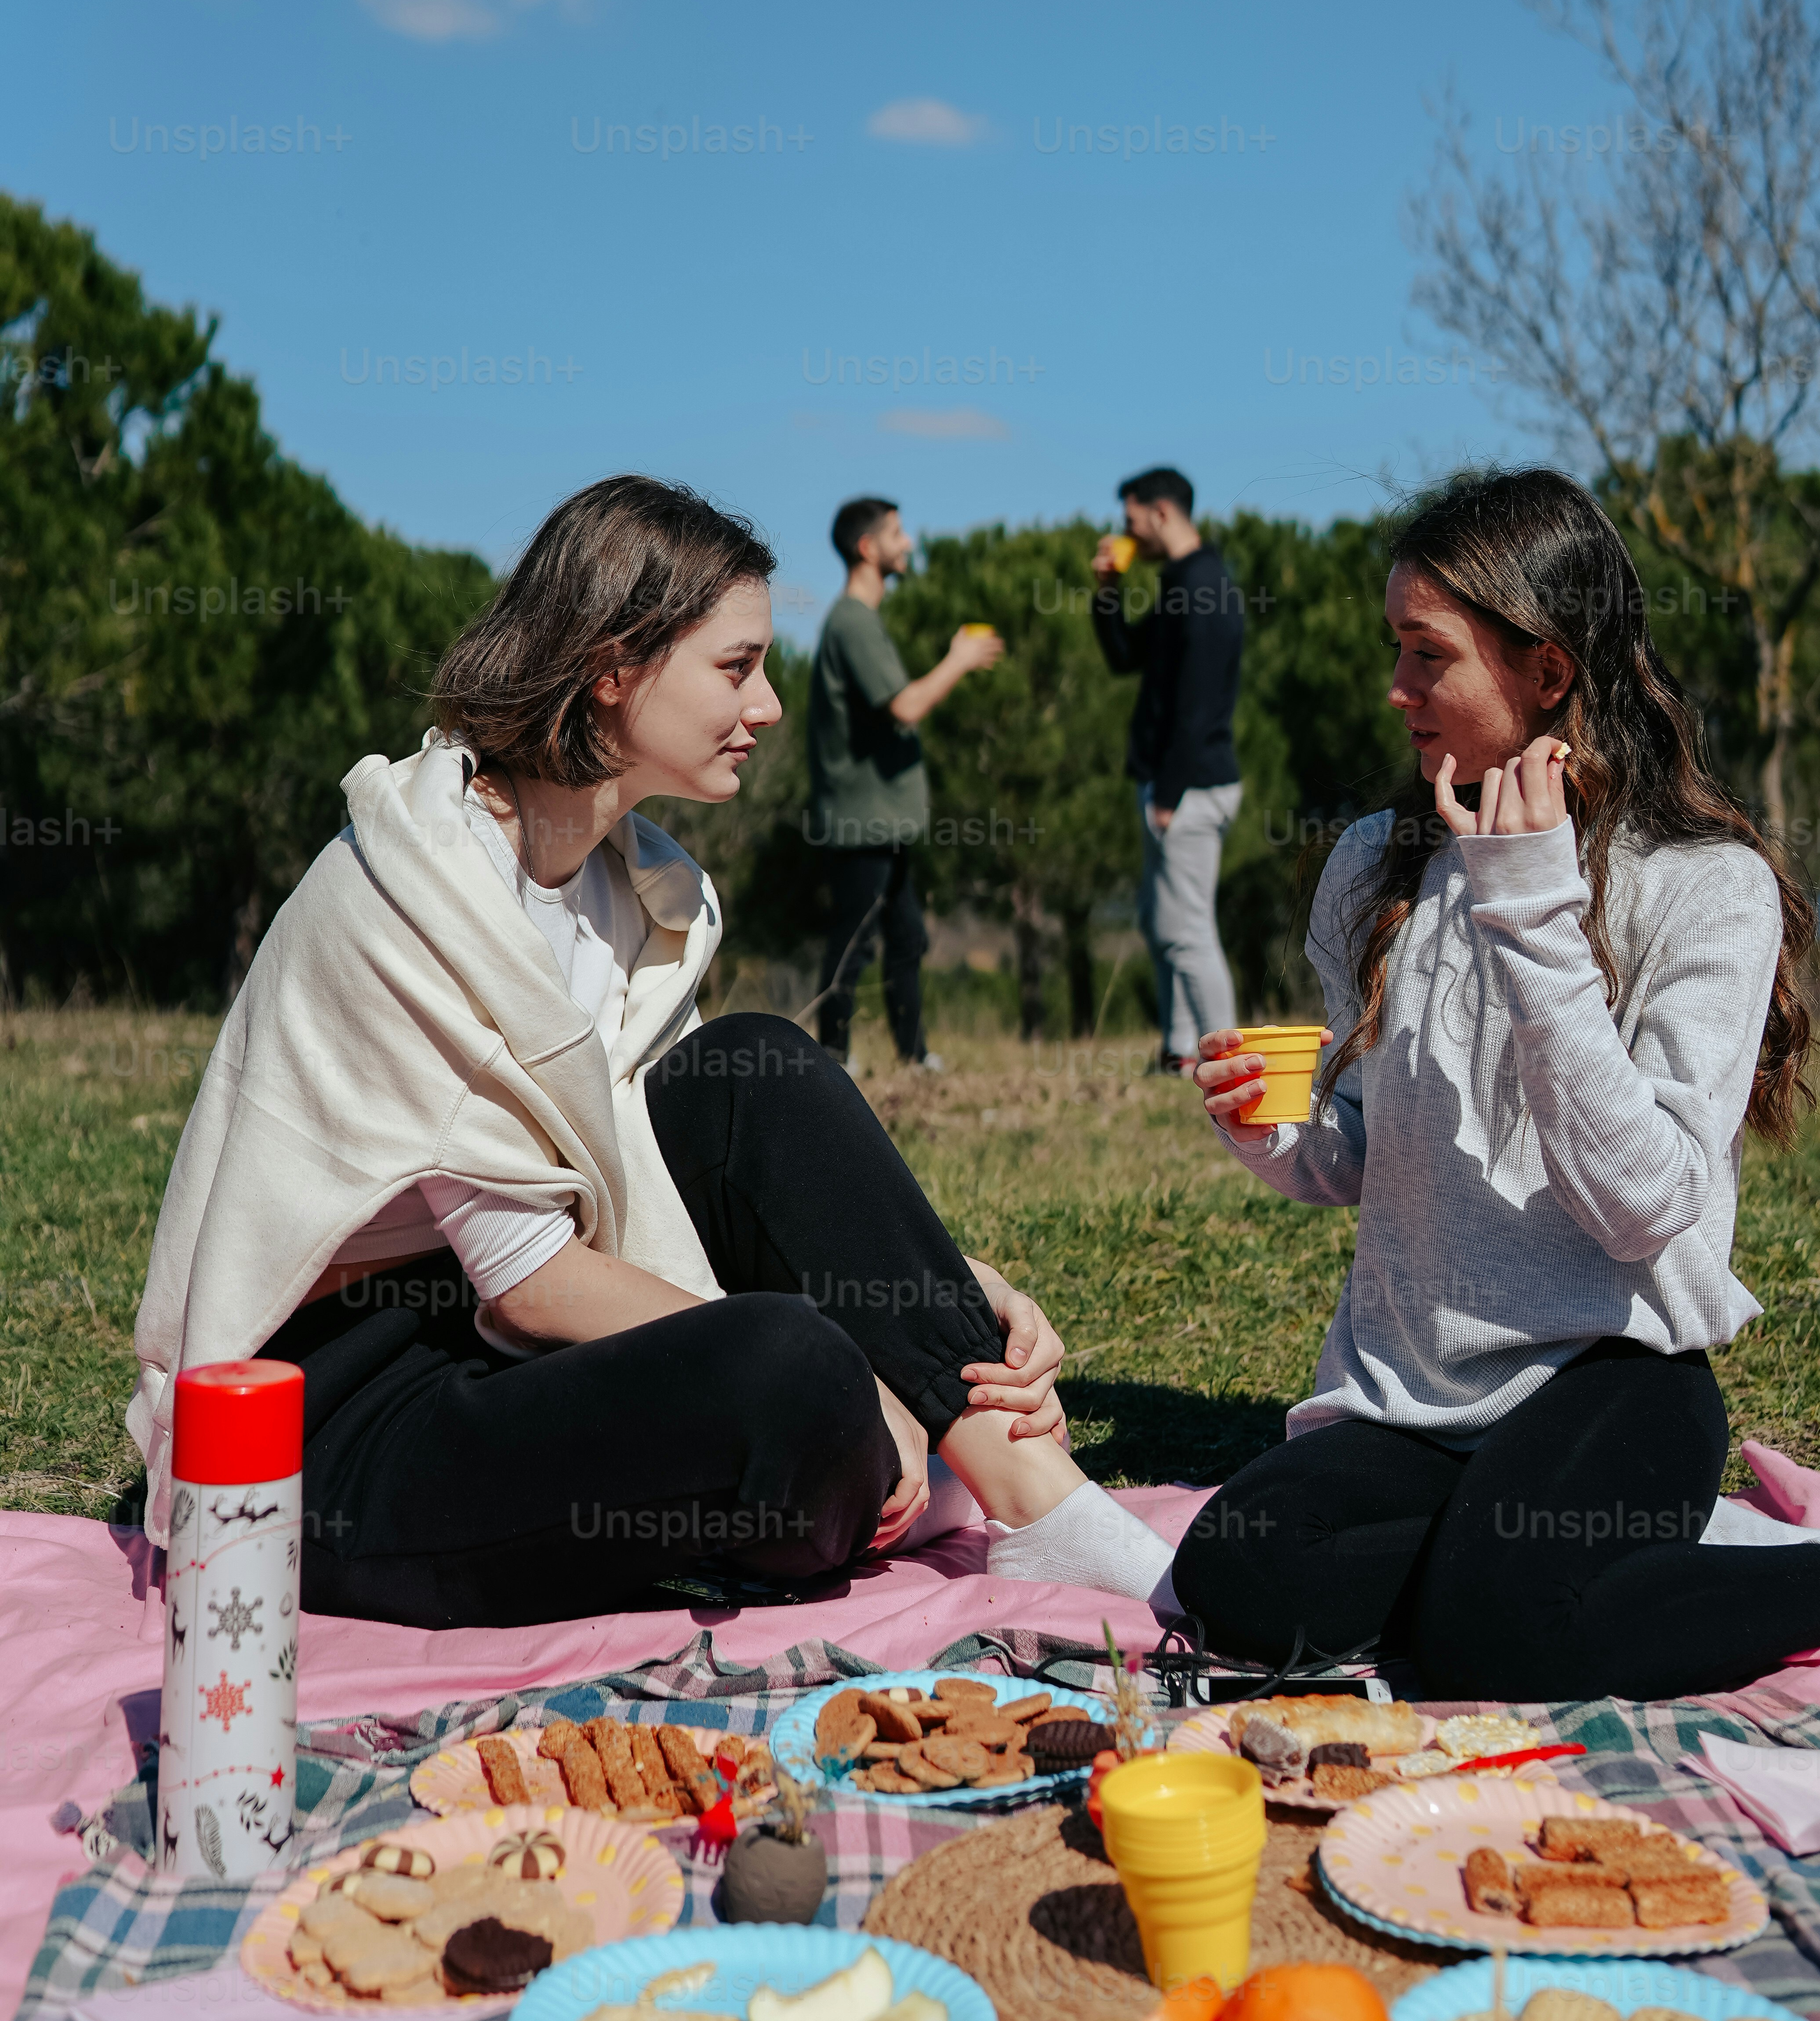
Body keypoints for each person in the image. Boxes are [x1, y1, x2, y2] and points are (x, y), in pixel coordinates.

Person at [127, 475, 1171, 1625]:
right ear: (612, 667)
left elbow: (675, 1177)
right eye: (737, 668)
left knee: (754, 1074)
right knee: (794, 1376)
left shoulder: (631, 882)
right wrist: (864, 1361)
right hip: (342, 1419)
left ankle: (1026, 1494)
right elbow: (533, 1286)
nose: (768, 706)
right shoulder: (420, 893)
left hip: (504, 1328)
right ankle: (880, 1459)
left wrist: (950, 1302)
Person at [1164, 465, 1820, 1697]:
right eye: (1397, 649)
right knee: (1239, 1578)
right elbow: (1370, 1150)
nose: (1397, 688)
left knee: (1503, 1642)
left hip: (1613, 1375)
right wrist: (1281, 1136)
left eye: (1430, 655)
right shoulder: (1378, 865)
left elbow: (1642, 1203)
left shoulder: (1704, 886)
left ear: (1549, 669)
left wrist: (1532, 909)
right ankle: (1588, 1560)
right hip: (1415, 1392)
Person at [807, 496, 1002, 1074]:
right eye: (897, 533)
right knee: (853, 944)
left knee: (908, 938)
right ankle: (831, 1059)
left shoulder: (859, 622)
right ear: (868, 549)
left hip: (884, 819)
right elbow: (907, 706)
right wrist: (959, 659)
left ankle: (914, 1057)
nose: (909, 542)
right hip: (861, 818)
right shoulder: (852, 623)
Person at [1090, 466, 1244, 1071]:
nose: (1125, 532)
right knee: (1164, 924)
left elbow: (1198, 703)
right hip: (1174, 783)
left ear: (1160, 514)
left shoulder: (1204, 585)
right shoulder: (1181, 581)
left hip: (1191, 785)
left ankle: (1229, 1062)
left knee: (1189, 931)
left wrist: (1171, 792)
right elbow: (1127, 656)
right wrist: (1107, 591)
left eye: (1130, 520)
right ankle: (1181, 1051)